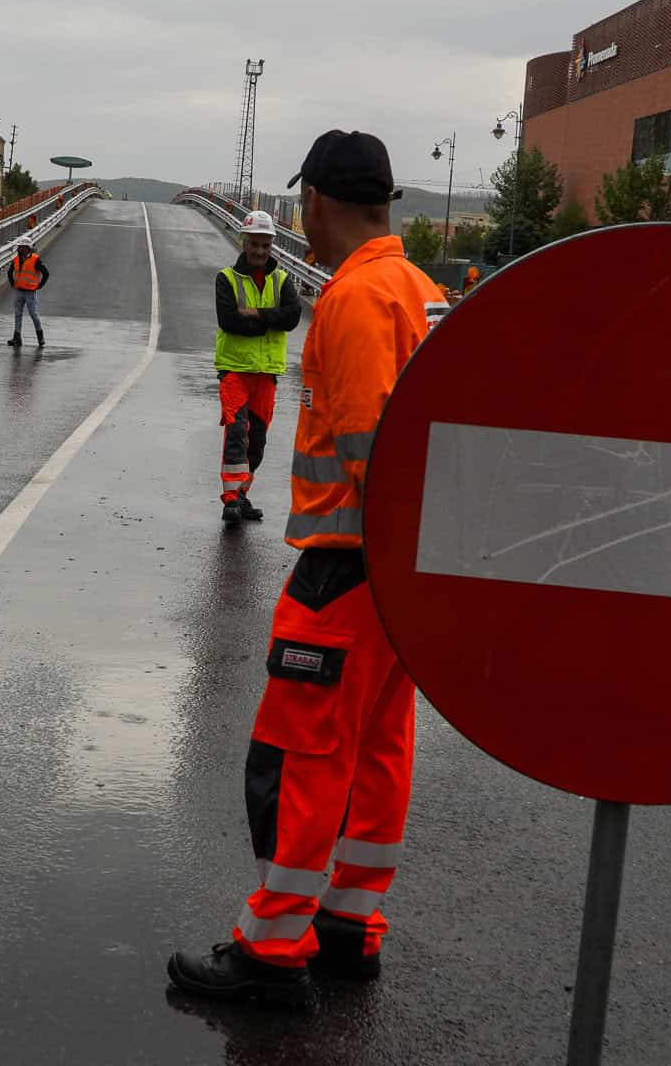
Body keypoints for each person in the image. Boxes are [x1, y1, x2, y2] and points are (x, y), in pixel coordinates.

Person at [168, 130, 438, 1006]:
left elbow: (367, 443)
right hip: (401, 579)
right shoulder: (419, 289)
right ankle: (348, 924)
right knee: (378, 749)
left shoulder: (357, 297)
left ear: (315, 202)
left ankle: (272, 946)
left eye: (301, 205)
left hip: (346, 566)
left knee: (299, 753)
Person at [215, 210, 303, 526]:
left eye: (265, 246)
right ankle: (230, 501)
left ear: (271, 247)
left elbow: (292, 316)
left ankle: (241, 494)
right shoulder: (226, 278)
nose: (259, 251)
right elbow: (229, 321)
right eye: (254, 244)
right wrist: (270, 320)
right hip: (235, 371)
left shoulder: (281, 280)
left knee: (258, 443)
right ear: (244, 242)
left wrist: (255, 314)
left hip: (266, 374)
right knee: (237, 433)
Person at [7, 234, 49, 348]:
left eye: (21, 247)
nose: (18, 248)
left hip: (30, 291)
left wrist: (39, 285)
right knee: (18, 314)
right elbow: (9, 272)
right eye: (19, 246)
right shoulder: (16, 259)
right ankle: (17, 337)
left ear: (26, 248)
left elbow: (46, 273)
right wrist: (13, 284)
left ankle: (40, 337)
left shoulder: (35, 259)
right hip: (19, 291)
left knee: (33, 314)